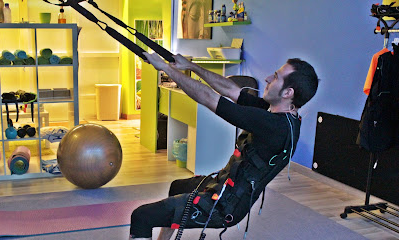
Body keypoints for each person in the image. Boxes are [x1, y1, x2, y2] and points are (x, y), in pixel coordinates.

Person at [129, 53, 319, 240]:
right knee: (177, 187)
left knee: (142, 217)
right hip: (222, 185)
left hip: (224, 205)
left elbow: (209, 98)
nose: (268, 78)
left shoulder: (275, 126)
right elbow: (231, 91)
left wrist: (165, 68)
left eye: (276, 77)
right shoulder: (279, 114)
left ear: (288, 93)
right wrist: (190, 66)